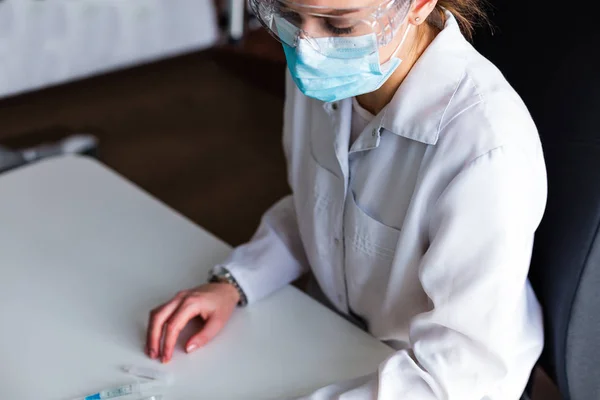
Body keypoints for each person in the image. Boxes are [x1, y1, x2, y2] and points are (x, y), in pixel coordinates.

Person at [146, 0, 547, 398]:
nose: (307, 47)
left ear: (418, 5)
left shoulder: (487, 148)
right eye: (288, 16)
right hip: (337, 336)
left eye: (338, 27)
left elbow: (456, 374)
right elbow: (320, 206)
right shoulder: (321, 69)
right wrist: (237, 279)